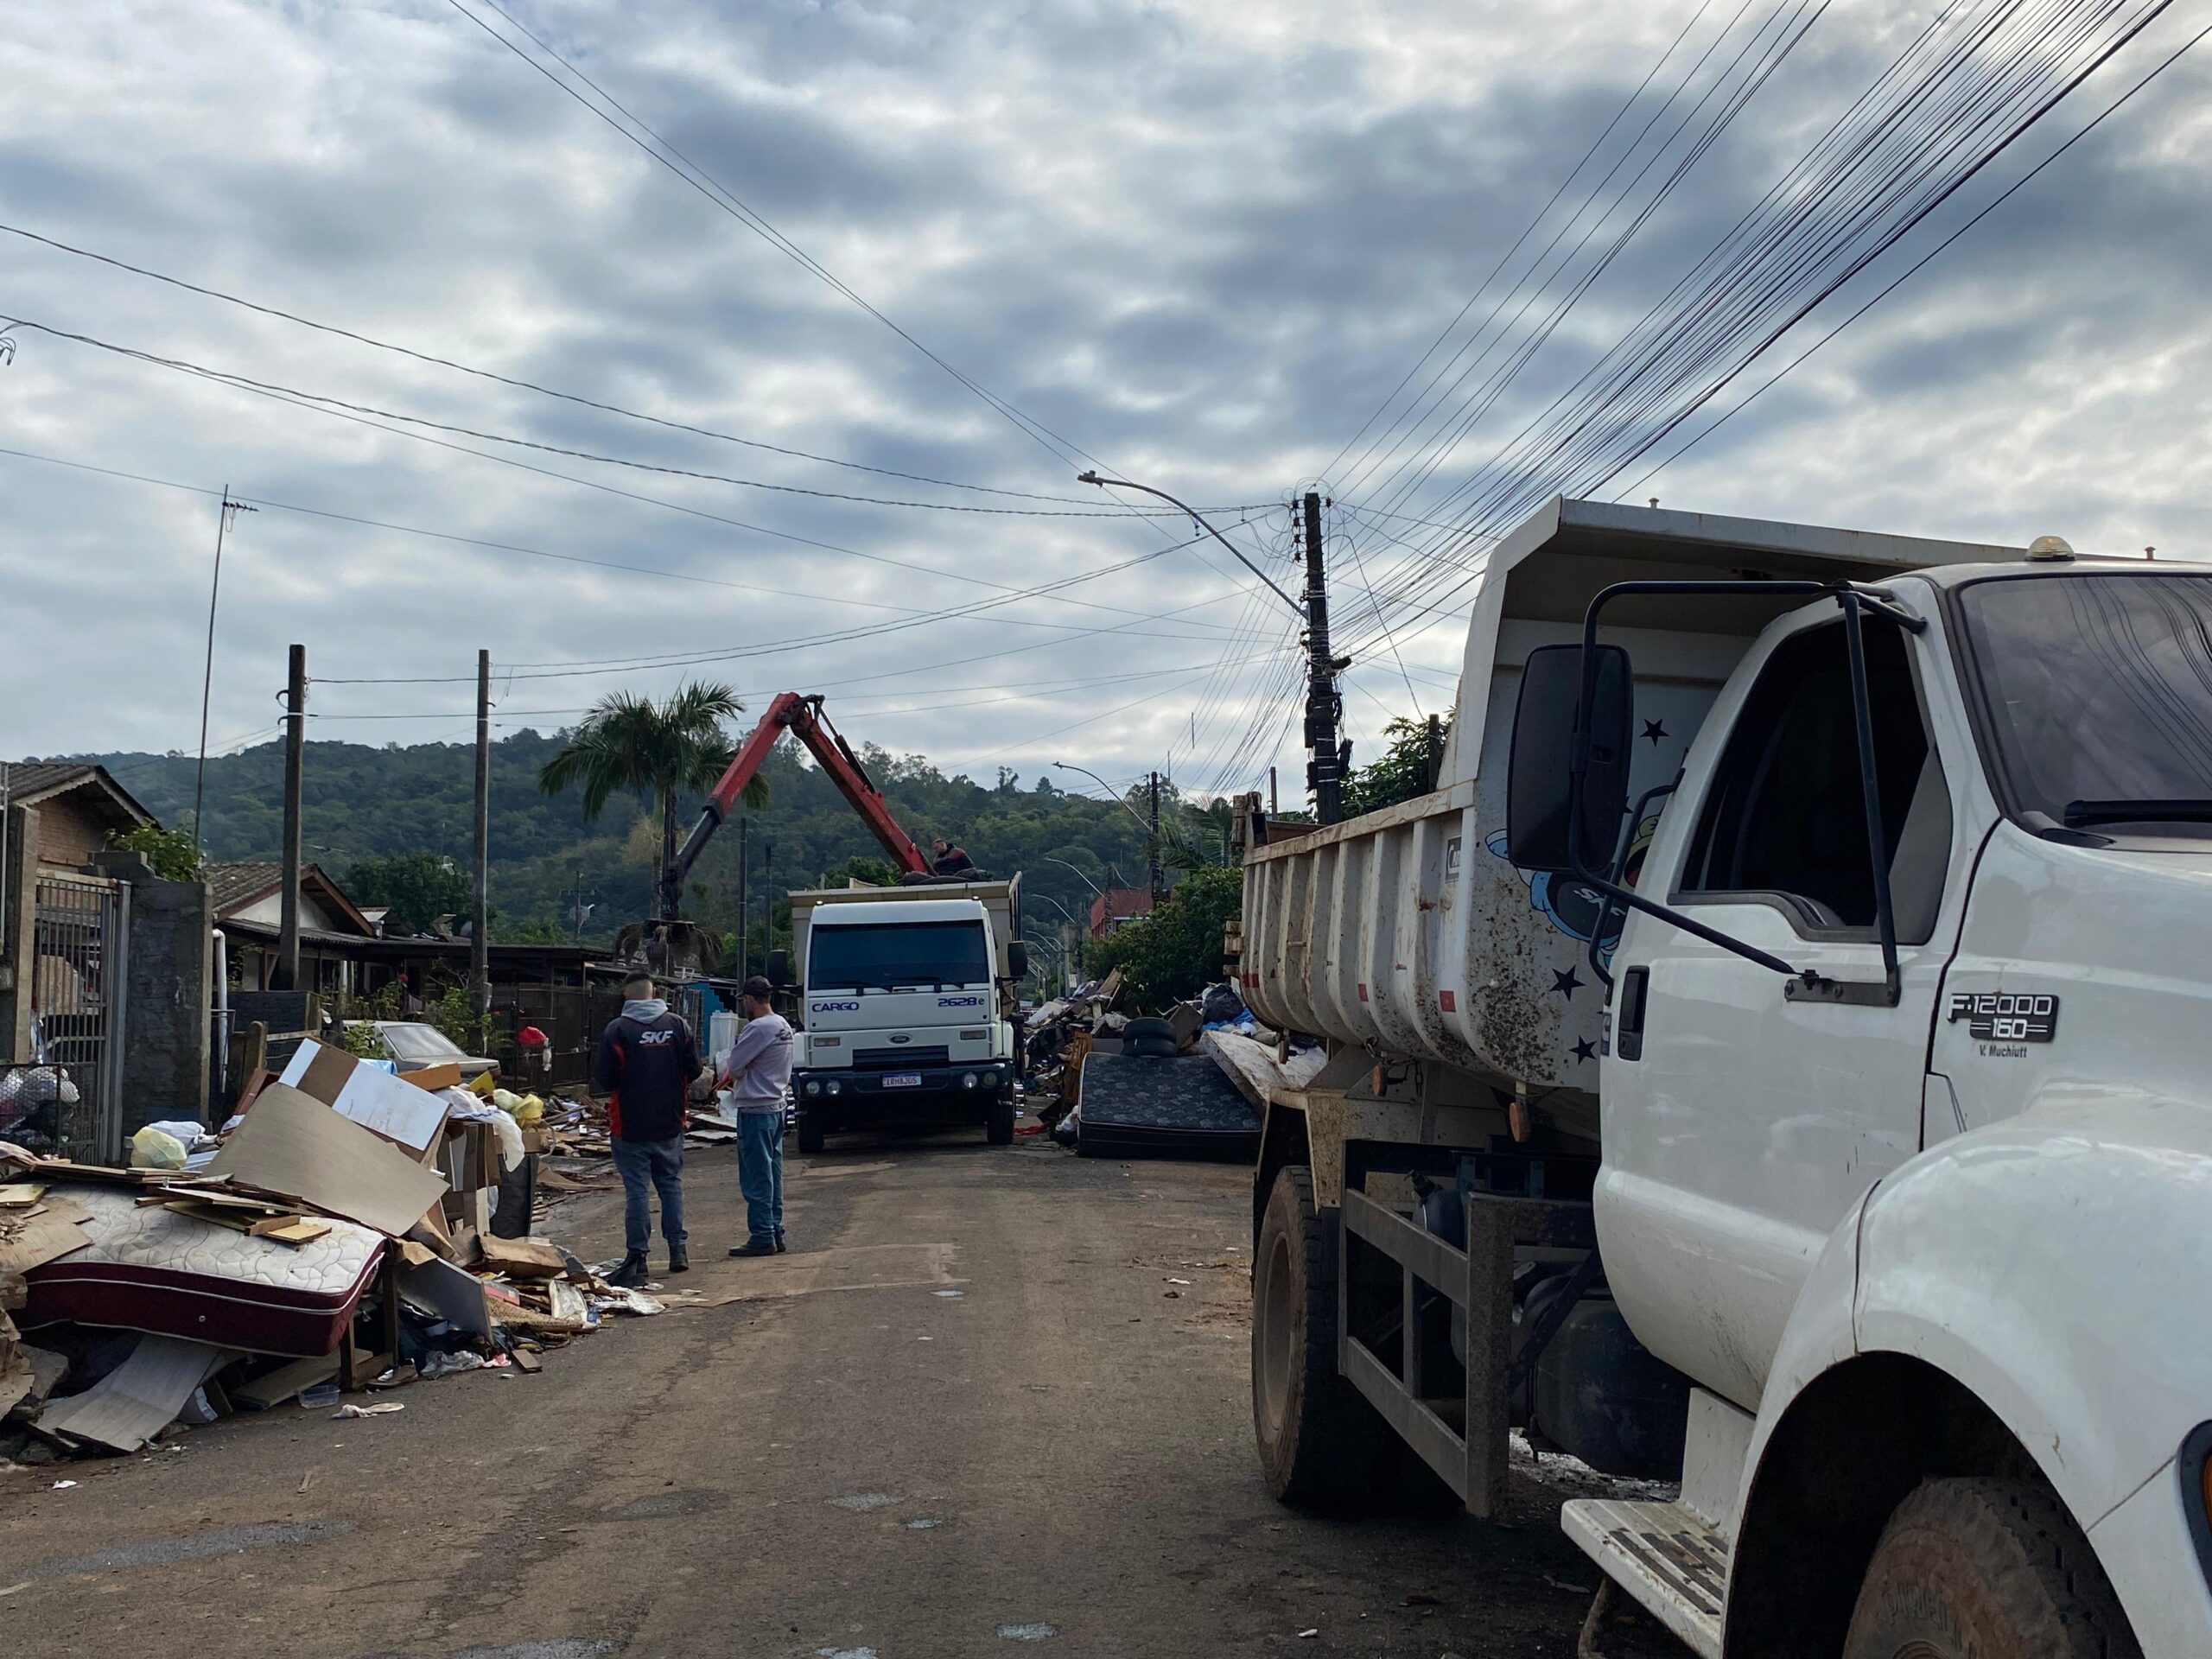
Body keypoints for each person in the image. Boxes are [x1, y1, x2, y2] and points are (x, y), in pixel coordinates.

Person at [594, 969, 702, 1287]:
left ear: (626, 996)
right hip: (670, 1122)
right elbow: (695, 1069)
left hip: (629, 1127)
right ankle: (677, 1250)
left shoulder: (617, 1030)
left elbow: (605, 1079)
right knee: (670, 1185)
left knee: (637, 1191)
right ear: (654, 993)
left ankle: (638, 1257)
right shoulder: (677, 1026)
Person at [719, 975, 794, 1257]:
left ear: (750, 1000)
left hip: (756, 1109)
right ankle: (775, 1229)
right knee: (772, 1172)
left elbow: (733, 1067)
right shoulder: (782, 1025)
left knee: (757, 1176)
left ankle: (762, 1234)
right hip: (777, 1104)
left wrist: (743, 1065)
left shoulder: (757, 1028)